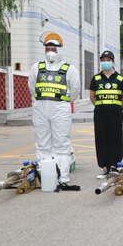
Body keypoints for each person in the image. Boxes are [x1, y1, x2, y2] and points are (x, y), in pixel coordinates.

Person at [28, 31, 80, 184]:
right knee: (42, 142)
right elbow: (32, 87)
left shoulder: (69, 69)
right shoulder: (36, 67)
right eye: (47, 49)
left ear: (60, 50)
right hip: (40, 110)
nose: (50, 52)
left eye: (54, 49)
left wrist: (61, 102)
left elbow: (75, 90)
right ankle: (45, 175)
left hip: (60, 110)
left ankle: (62, 176)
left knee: (62, 144)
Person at [89, 50, 123, 179]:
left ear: (113, 62)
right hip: (100, 113)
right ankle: (104, 166)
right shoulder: (96, 78)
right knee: (101, 138)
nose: (106, 63)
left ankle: (114, 165)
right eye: (104, 60)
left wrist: (116, 106)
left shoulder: (120, 78)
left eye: (108, 60)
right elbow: (92, 96)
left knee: (115, 138)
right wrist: (101, 106)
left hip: (116, 113)